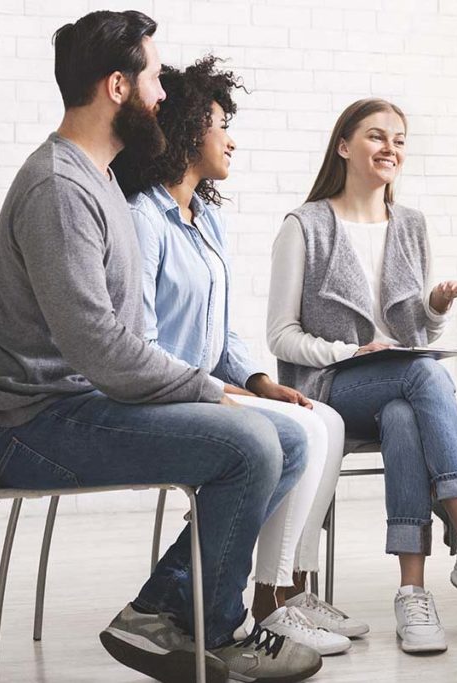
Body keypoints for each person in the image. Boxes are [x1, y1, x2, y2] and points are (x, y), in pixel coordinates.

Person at [0, 11, 320, 682]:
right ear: (117, 86)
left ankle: (161, 608)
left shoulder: (100, 177)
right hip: (37, 425)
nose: (163, 92)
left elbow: (118, 337)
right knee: (249, 443)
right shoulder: (59, 188)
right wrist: (206, 388)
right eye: (155, 77)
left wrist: (230, 383)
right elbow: (100, 347)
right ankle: (219, 632)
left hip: (80, 403)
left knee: (291, 437)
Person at [267, 97, 457, 654]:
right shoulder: (305, 225)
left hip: (395, 387)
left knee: (403, 413)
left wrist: (435, 306)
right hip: (329, 389)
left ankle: (412, 594)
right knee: (423, 379)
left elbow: (417, 336)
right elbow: (281, 335)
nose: (390, 147)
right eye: (375, 136)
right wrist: (349, 349)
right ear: (344, 146)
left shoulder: (411, 226)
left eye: (398, 138)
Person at [110, 56, 359, 657]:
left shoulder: (206, 221)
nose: (231, 138)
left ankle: (279, 592)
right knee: (295, 435)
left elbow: (221, 334)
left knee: (322, 419)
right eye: (221, 123)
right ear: (190, 128)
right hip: (165, 396)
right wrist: (219, 392)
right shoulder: (143, 220)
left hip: (208, 390)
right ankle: (259, 600)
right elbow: (137, 339)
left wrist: (255, 379)